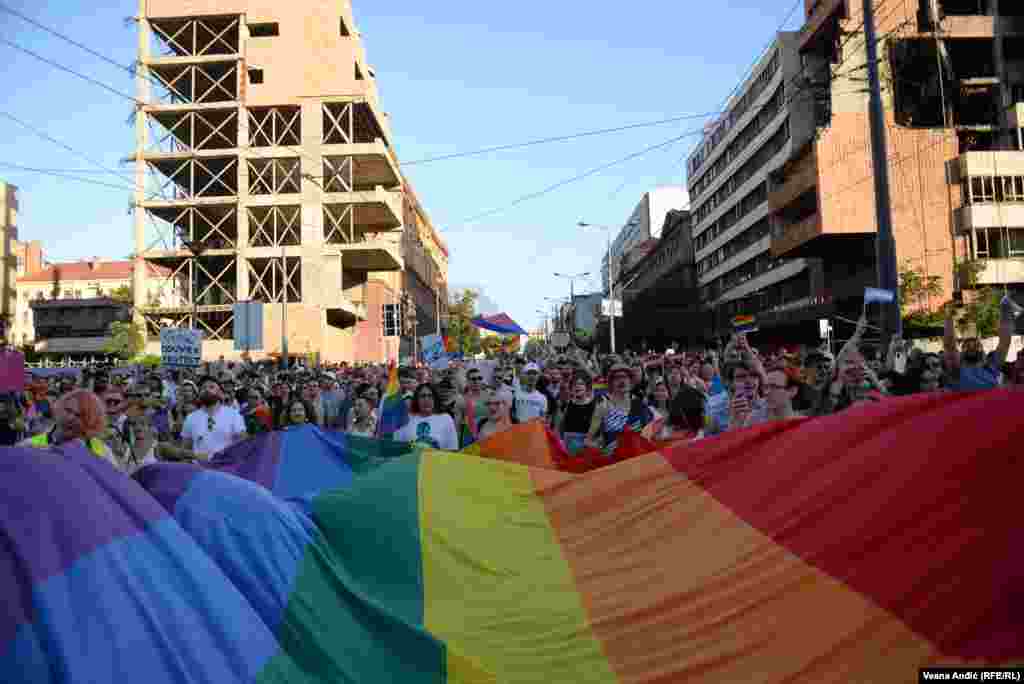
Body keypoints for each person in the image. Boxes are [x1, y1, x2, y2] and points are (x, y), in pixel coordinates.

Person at [22, 390, 116, 464]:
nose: (70, 418)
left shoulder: (103, 454)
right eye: (68, 410)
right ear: (59, 409)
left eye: (79, 415)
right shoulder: (29, 446)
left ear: (91, 422)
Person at [943, 300, 1013, 391]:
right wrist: (948, 317)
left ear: (982, 349)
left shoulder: (992, 368)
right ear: (961, 351)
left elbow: (1005, 342)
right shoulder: (956, 371)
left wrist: (1005, 312)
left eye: (976, 345)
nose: (972, 347)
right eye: (967, 346)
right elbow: (949, 345)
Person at [585, 363, 652, 452]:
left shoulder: (640, 404)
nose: (621, 381)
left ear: (630, 381)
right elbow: (587, 441)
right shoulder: (603, 407)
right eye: (617, 378)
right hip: (616, 462)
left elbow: (650, 430)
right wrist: (604, 450)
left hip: (638, 458)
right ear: (611, 383)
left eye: (624, 377)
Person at [180, 377, 247, 458]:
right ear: (199, 393)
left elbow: (243, 444)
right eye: (203, 388)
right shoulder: (190, 418)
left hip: (226, 467)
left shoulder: (234, 415)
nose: (207, 390)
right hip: (200, 467)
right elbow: (185, 449)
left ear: (219, 392)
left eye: (211, 387)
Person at [394, 383, 458, 450]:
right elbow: (397, 448)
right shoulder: (405, 419)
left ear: (435, 399)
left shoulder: (446, 419)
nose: (426, 399)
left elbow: (453, 449)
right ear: (417, 399)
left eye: (430, 396)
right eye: (423, 396)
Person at [558, 370, 597, 455]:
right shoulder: (567, 404)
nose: (577, 386)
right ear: (571, 388)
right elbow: (560, 425)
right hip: (568, 444)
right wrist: (561, 441)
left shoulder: (594, 406)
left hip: (585, 446)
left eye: (581, 384)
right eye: (575, 384)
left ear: (587, 387)